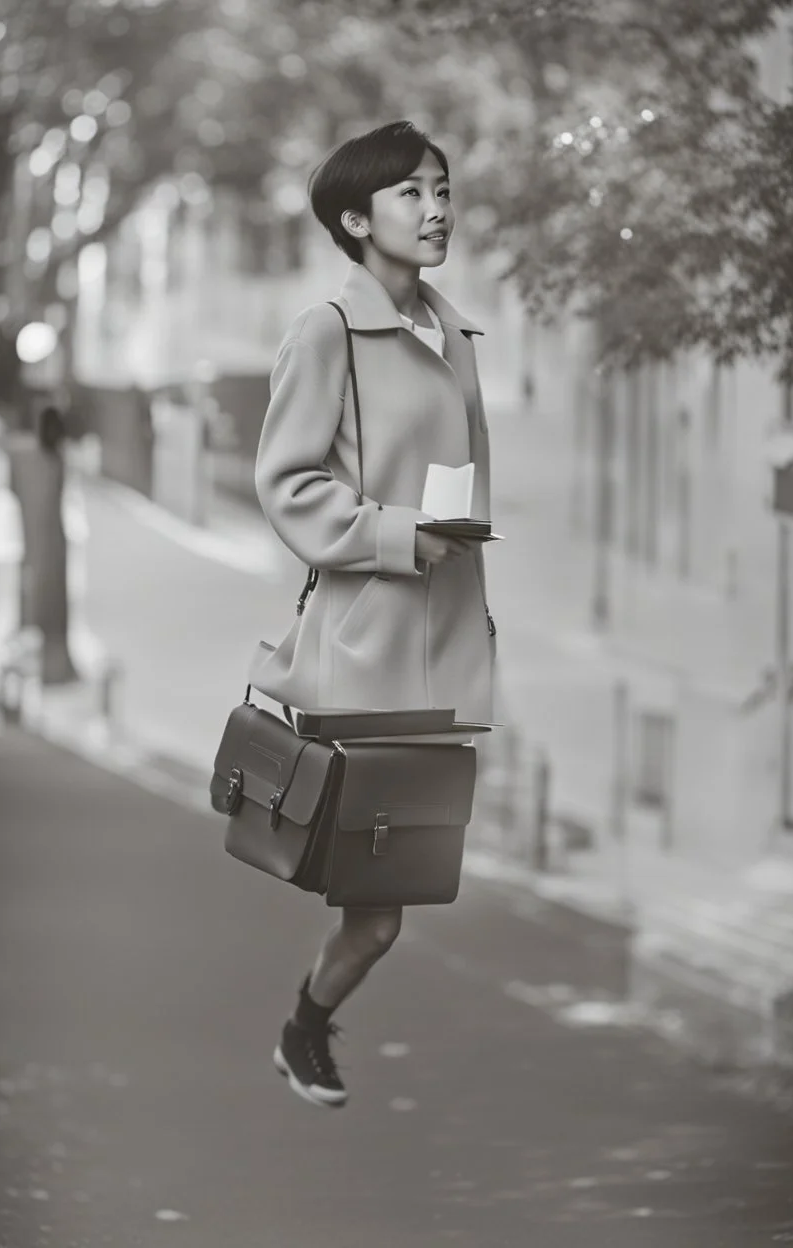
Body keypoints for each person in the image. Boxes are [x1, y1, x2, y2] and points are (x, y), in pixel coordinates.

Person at [251, 120, 497, 1109]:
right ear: (356, 220)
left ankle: (302, 1029)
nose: (436, 207)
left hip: (441, 659)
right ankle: (302, 1030)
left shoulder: (455, 334)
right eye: (410, 192)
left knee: (393, 907)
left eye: (442, 187)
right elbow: (287, 486)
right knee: (380, 912)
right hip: (367, 655)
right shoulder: (325, 332)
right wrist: (400, 537)